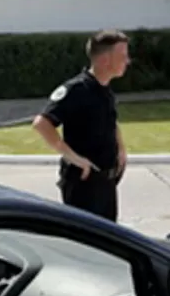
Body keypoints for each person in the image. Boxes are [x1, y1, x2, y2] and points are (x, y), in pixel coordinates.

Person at [32, 29, 129, 222]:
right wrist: (74, 159)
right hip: (84, 184)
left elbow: (110, 119)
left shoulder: (105, 89)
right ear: (104, 60)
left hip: (106, 182)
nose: (127, 61)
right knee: (85, 246)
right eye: (122, 56)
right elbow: (42, 123)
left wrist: (121, 148)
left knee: (108, 244)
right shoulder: (76, 89)